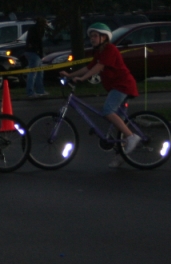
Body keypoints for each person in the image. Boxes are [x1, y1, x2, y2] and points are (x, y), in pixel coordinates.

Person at [60, 23, 140, 165]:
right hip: (115, 87)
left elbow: (99, 67)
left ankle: (131, 137)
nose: (92, 38)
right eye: (91, 36)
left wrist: (83, 79)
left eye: (95, 36)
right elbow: (88, 67)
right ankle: (121, 156)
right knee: (117, 125)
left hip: (122, 86)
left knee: (108, 111)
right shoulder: (99, 52)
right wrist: (70, 75)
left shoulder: (110, 49)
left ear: (104, 37)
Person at [24, 17, 48, 98]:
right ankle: (30, 92)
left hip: (30, 51)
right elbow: (39, 42)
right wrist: (40, 53)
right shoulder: (38, 30)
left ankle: (40, 90)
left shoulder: (32, 28)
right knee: (33, 73)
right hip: (34, 52)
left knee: (39, 72)